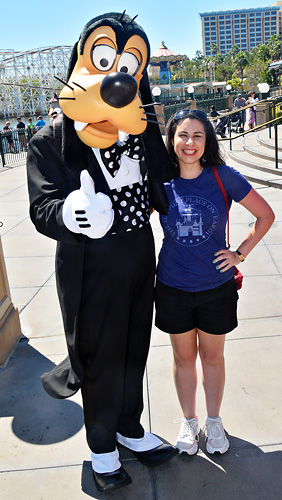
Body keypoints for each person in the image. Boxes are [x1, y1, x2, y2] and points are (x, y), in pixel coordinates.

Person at [26, 12, 177, 493]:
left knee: (135, 346)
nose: (119, 77)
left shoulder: (142, 131)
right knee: (98, 354)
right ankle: (101, 446)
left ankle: (130, 429)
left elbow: (166, 178)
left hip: (138, 252)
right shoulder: (51, 140)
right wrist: (70, 212)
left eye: (131, 65)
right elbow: (42, 205)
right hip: (91, 265)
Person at [154, 108, 274, 457]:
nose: (189, 143)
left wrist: (240, 252)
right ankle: (189, 421)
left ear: (207, 141)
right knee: (182, 358)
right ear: (172, 139)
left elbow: (265, 215)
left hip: (214, 287)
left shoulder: (224, 176)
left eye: (197, 136)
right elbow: (131, 222)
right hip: (173, 285)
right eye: (183, 135)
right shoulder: (160, 182)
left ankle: (214, 420)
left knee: (212, 357)